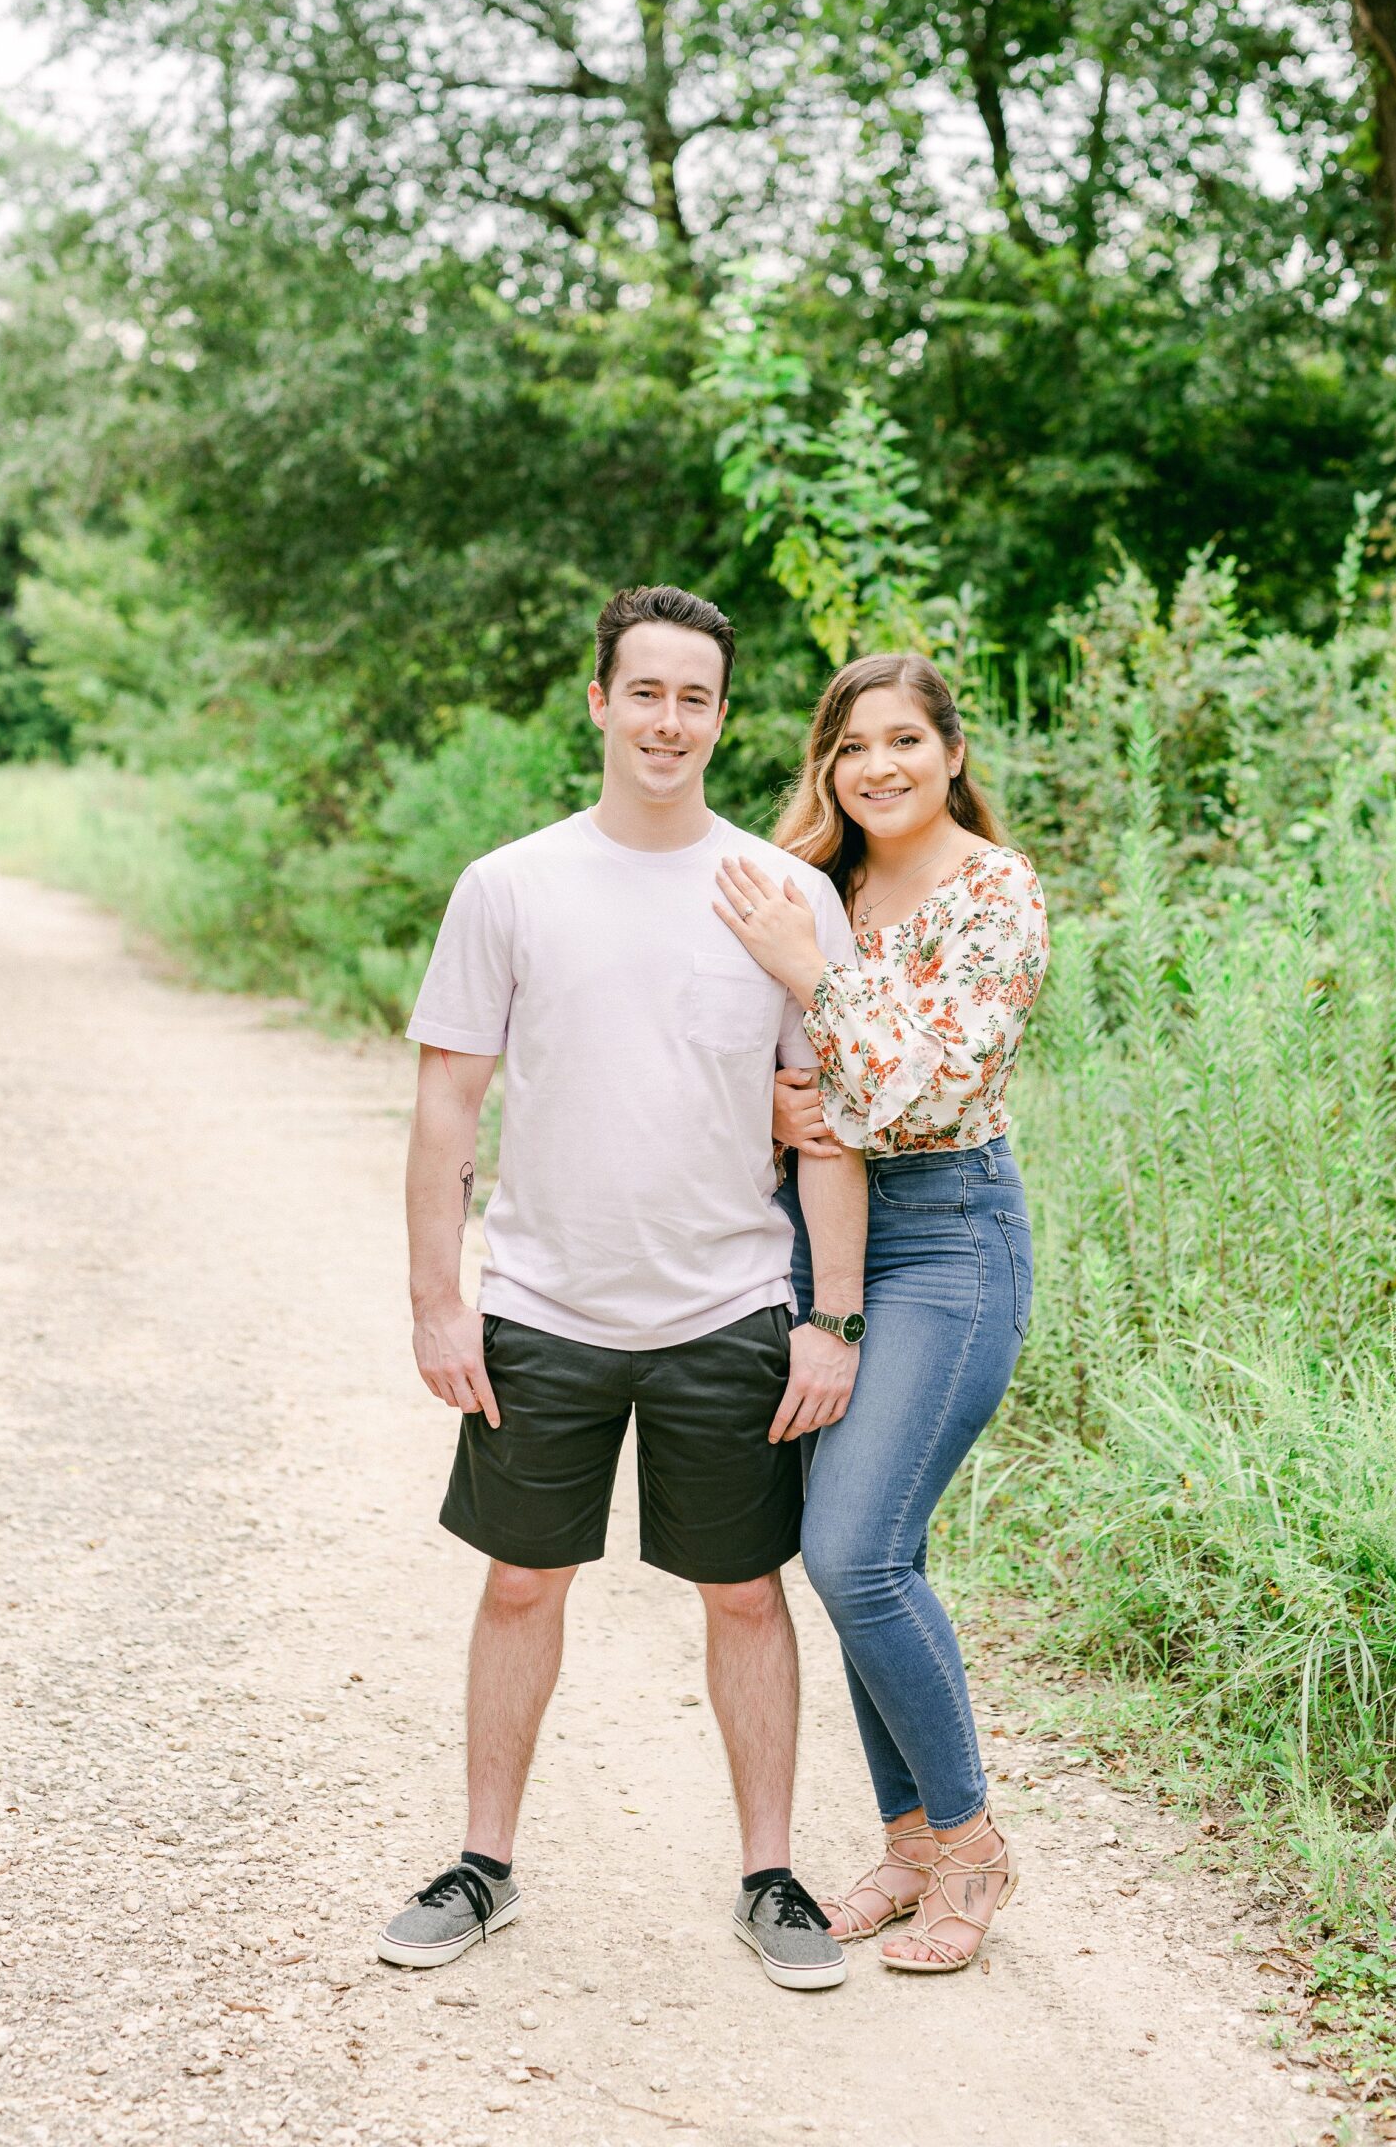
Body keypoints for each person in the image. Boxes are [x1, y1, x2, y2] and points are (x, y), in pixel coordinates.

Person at [378, 585, 871, 1992]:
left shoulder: (788, 897)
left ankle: (772, 1879)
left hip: (726, 1304)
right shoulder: (512, 885)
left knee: (743, 1593)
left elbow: (825, 1121)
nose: (669, 720)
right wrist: (437, 1299)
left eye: (695, 697)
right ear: (599, 702)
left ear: (724, 717)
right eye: (644, 692)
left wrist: (830, 1317)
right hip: (542, 1304)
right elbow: (446, 1113)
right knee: (524, 1581)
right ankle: (483, 1865)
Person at [713, 651, 1049, 1975]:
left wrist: (811, 976)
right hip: (814, 1234)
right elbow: (733, 1057)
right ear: (827, 765)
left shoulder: (995, 894)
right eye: (853, 747)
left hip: (949, 1240)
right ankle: (909, 1846)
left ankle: (972, 1846)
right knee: (846, 1553)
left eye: (906, 739)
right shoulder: (819, 882)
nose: (880, 767)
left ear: (952, 752)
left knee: (860, 1553)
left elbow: (933, 1086)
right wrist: (777, 1105)